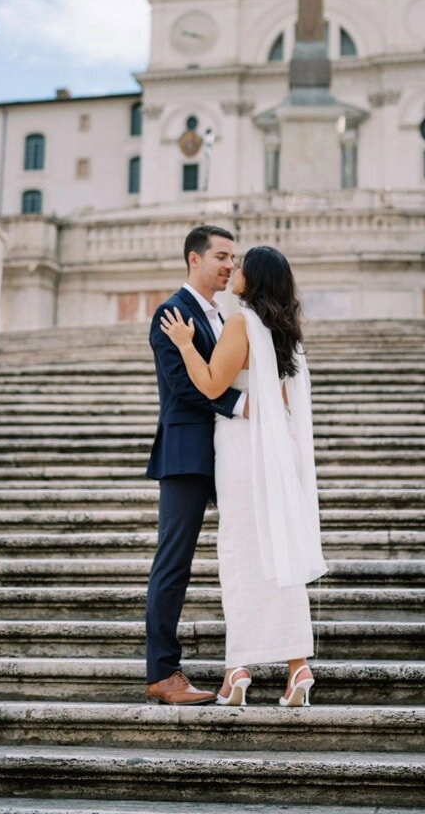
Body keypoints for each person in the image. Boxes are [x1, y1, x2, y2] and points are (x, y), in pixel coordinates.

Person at [160, 243, 327, 706]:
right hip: (280, 448)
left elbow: (212, 383)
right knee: (281, 553)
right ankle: (298, 668)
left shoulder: (242, 321)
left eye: (241, 265)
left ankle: (238, 670)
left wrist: (185, 344)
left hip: (243, 448)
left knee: (238, 554)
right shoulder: (286, 330)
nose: (234, 270)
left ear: (254, 279)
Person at [144, 224, 247, 705]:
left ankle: (245, 659)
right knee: (173, 564)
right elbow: (183, 386)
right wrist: (239, 404)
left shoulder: (219, 314)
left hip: (223, 449)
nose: (230, 265)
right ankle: (163, 674)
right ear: (194, 259)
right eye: (221, 256)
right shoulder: (173, 311)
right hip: (187, 453)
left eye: (234, 257)